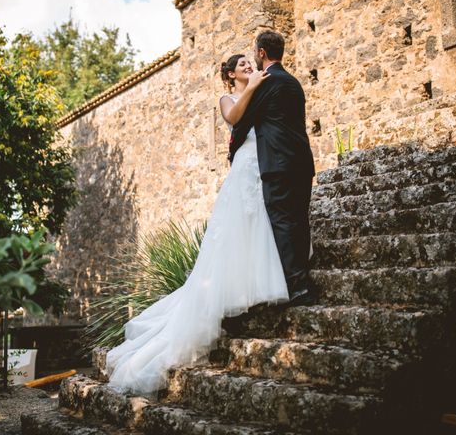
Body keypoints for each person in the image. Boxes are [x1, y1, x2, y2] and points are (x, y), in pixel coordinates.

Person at [104, 52, 291, 395]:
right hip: (243, 170)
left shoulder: (261, 92)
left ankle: (254, 288)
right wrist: (252, 87)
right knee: (234, 231)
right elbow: (235, 118)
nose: (250, 68)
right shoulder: (229, 97)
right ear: (230, 76)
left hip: (261, 167)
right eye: (243, 67)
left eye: (252, 64)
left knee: (258, 227)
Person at [229, 30, 316, 304]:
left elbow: (241, 123)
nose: (252, 59)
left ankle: (296, 286)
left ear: (261, 53)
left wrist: (232, 151)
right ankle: (303, 280)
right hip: (302, 160)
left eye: (254, 53)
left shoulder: (265, 82)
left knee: (282, 221)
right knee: (300, 220)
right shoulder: (294, 82)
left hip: (277, 164)